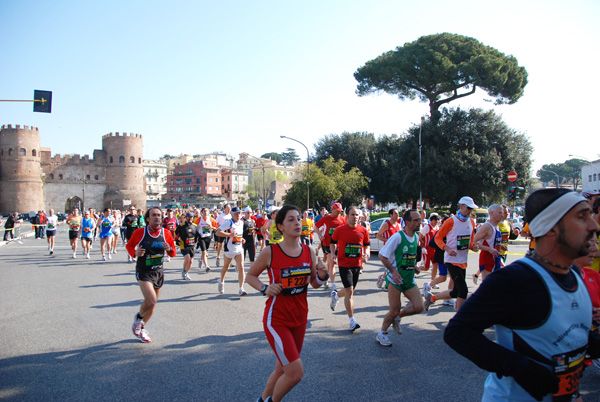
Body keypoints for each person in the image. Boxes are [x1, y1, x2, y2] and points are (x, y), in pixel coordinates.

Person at [444, 189, 600, 401]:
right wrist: (522, 369)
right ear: (551, 227)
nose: (594, 226)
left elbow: (567, 332)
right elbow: (457, 332)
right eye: (582, 217)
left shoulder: (574, 274)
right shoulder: (514, 280)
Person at [246, 205, 329, 402]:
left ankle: (262, 400)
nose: (297, 223)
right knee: (295, 373)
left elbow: (314, 284)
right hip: (277, 320)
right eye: (291, 220)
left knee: (282, 368)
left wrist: (323, 275)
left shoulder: (308, 251)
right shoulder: (271, 252)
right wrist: (265, 288)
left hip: (300, 319)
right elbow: (250, 276)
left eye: (298, 219)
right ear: (281, 227)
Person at [375, 209, 425, 346]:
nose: (420, 222)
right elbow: (382, 255)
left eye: (420, 220)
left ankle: (398, 318)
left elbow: (408, 257)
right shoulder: (398, 237)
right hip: (395, 280)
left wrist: (414, 266)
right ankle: (382, 333)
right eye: (416, 220)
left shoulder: (416, 237)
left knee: (419, 307)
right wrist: (393, 271)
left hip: (409, 280)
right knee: (394, 309)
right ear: (407, 222)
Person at [127, 207, 176, 343]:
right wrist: (134, 253)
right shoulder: (140, 232)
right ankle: (138, 318)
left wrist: (169, 249)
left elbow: (173, 252)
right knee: (151, 300)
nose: (157, 217)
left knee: (152, 305)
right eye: (154, 215)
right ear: (147, 219)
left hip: (158, 271)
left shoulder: (166, 233)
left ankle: (141, 328)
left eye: (159, 215)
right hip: (144, 271)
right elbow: (130, 246)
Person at [425, 196, 479, 311]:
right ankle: (458, 320)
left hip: (463, 261)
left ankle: (432, 298)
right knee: (463, 290)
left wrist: (473, 247)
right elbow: (437, 238)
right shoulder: (451, 221)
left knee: (456, 292)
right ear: (461, 206)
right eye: (468, 208)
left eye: (472, 209)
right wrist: (447, 248)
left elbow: (470, 241)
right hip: (451, 260)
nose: (470, 211)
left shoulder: (471, 222)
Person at [329, 206, 370, 331]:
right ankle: (352, 320)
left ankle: (336, 296)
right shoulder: (340, 230)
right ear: (348, 216)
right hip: (344, 264)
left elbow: (367, 245)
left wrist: (366, 253)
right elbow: (332, 242)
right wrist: (332, 254)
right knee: (350, 291)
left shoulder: (363, 230)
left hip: (356, 264)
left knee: (348, 291)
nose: (355, 217)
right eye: (352, 214)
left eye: (357, 215)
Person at [216, 206, 247, 296]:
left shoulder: (241, 223)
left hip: (239, 249)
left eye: (239, 213)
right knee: (226, 267)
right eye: (236, 214)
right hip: (229, 248)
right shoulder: (228, 223)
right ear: (232, 214)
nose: (238, 215)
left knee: (241, 268)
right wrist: (230, 234)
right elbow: (218, 232)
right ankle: (221, 281)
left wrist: (242, 239)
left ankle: (241, 288)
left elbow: (239, 234)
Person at [314, 202, 345, 290]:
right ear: (333, 209)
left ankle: (326, 276)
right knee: (331, 263)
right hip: (327, 243)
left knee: (331, 263)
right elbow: (316, 226)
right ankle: (333, 284)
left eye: (340, 211)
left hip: (338, 244)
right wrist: (320, 235)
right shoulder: (326, 219)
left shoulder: (342, 219)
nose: (339, 212)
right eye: (337, 210)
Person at [471, 204, 505, 283]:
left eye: (502, 212)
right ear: (492, 213)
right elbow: (473, 241)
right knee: (487, 287)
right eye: (500, 213)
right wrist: (489, 249)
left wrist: (500, 245)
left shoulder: (497, 226)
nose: (502, 215)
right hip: (487, 260)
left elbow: (492, 241)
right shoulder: (487, 226)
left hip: (496, 259)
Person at [375, 209, 402, 289]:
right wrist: (388, 241)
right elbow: (378, 235)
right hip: (388, 249)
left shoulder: (399, 225)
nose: (397, 215)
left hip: (396, 250)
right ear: (391, 215)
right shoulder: (386, 225)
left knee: (392, 266)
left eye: (398, 214)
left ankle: (382, 278)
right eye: (395, 214)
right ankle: (387, 285)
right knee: (390, 266)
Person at [175, 212, 200, 281]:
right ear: (186, 218)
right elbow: (175, 233)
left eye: (191, 217)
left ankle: (186, 272)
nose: (190, 218)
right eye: (189, 217)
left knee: (191, 261)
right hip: (184, 246)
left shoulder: (195, 226)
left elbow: (198, 235)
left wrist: (199, 241)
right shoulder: (181, 226)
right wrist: (176, 239)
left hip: (192, 246)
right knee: (187, 258)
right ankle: (183, 271)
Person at [196, 208, 217, 272]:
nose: (205, 212)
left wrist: (212, 227)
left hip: (208, 237)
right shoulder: (199, 219)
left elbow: (216, 228)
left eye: (206, 211)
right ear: (202, 212)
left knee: (205, 251)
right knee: (204, 252)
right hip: (201, 237)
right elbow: (194, 226)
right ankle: (206, 266)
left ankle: (200, 259)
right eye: (204, 211)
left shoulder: (211, 219)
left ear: (208, 212)